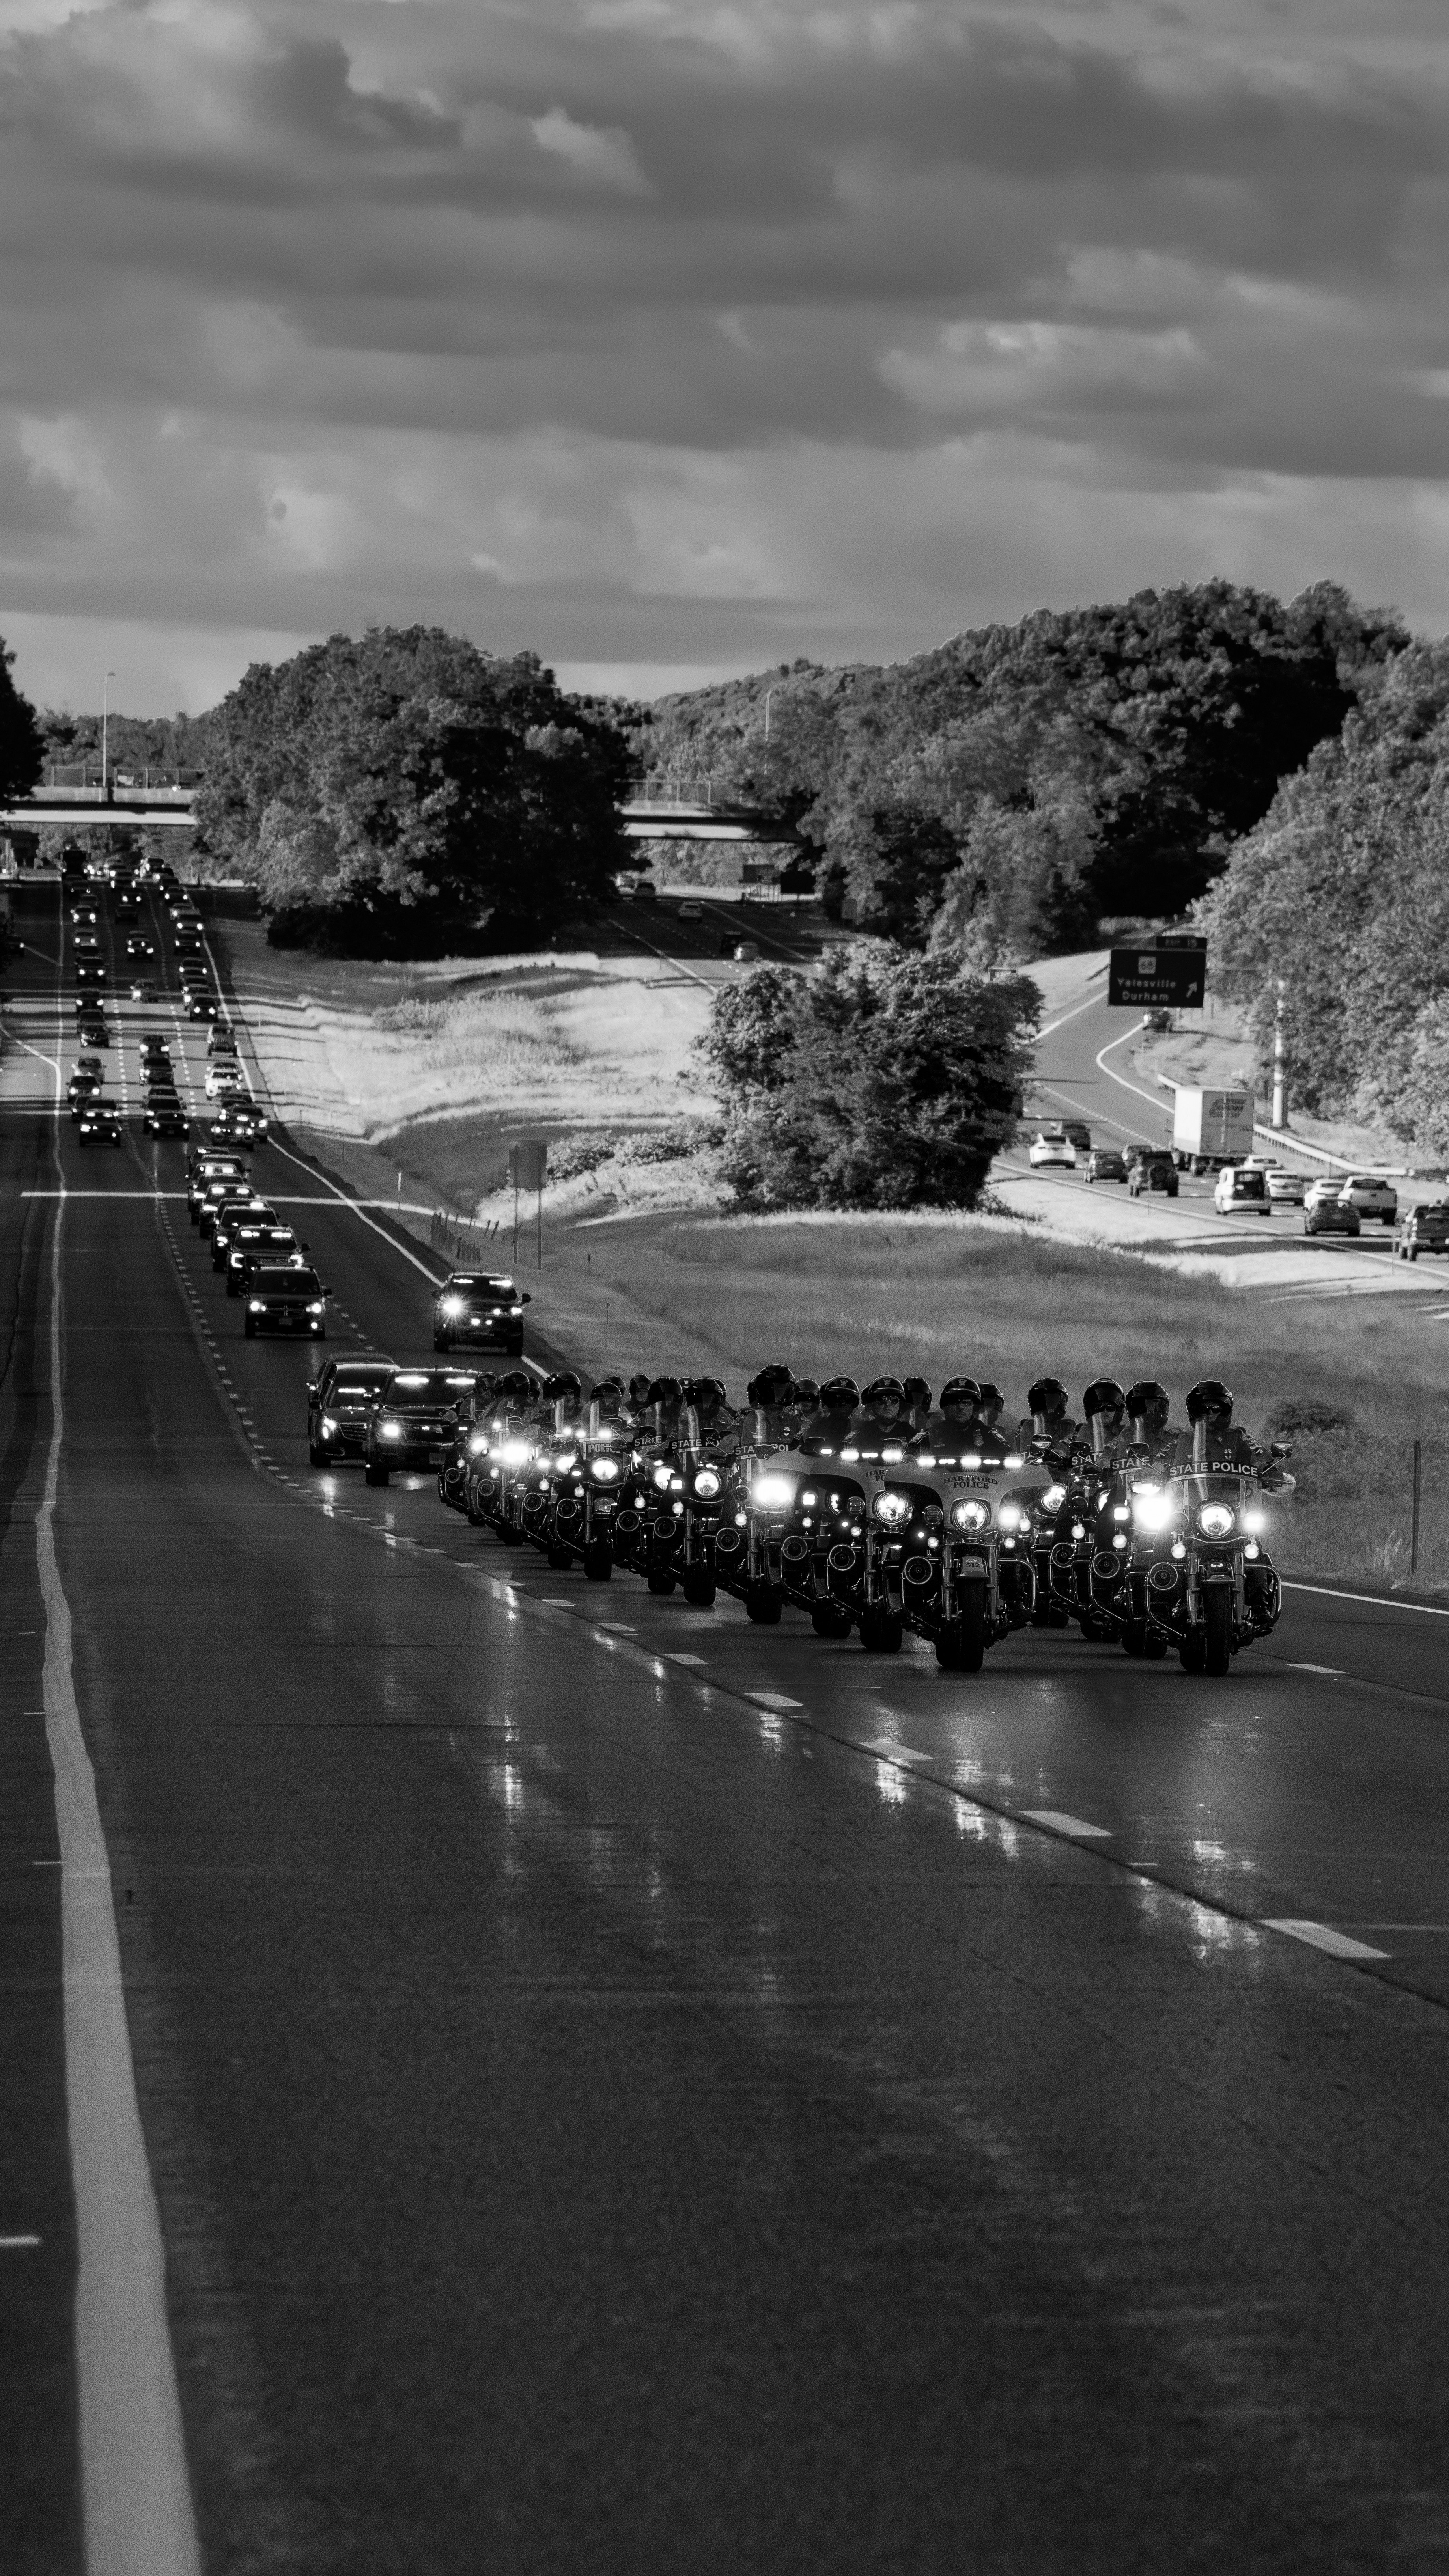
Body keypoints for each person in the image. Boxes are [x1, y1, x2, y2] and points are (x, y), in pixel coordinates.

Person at [915, 1375, 984, 1454]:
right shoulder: (929, 1436)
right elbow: (908, 1458)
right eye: (954, 1402)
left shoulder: (989, 1436)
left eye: (967, 1403)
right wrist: (910, 1456)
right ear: (945, 1406)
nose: (960, 1407)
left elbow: (1002, 1450)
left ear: (975, 1408)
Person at [1122, 1379, 1184, 1467]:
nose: (1148, 1415)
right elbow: (1105, 1460)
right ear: (1131, 1412)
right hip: (1130, 1481)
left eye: (1154, 1409)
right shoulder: (1121, 1441)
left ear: (1164, 1409)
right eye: (1141, 1410)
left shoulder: (1175, 1440)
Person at [1017, 1376, 1081, 1457]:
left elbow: (1073, 1449)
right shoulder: (1026, 1427)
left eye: (1053, 1401)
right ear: (1035, 1404)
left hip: (1061, 1468)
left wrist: (1061, 1454)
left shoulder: (1069, 1427)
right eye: (1043, 1402)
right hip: (1030, 1467)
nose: (1049, 1407)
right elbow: (1014, 1450)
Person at [1081, 1378, 1130, 1465]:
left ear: (1119, 1410)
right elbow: (1065, 1446)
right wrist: (1060, 1452)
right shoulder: (1080, 1431)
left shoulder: (1126, 1432)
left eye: (1110, 1408)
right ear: (1090, 1410)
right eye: (1099, 1408)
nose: (1105, 1411)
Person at [848, 1376, 907, 1447]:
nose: (888, 1404)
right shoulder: (860, 1431)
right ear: (872, 1405)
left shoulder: (910, 1432)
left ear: (900, 1405)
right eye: (881, 1400)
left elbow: (922, 1446)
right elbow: (844, 1447)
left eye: (894, 1400)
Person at [745, 1364, 795, 1446]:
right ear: (761, 1391)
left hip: (786, 1459)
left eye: (781, 1391)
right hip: (756, 1459)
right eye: (770, 1391)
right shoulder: (748, 1416)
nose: (777, 1396)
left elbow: (810, 1437)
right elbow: (730, 1440)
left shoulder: (795, 1418)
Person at [801, 1375, 859, 1445]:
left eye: (849, 1400)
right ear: (827, 1401)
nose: (843, 1403)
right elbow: (801, 1449)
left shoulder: (861, 1426)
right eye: (837, 1399)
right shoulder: (815, 1427)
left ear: (855, 1404)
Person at [902, 1377, 934, 1442]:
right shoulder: (893, 1420)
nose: (914, 1403)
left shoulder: (933, 1421)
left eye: (918, 1398)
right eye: (910, 1398)